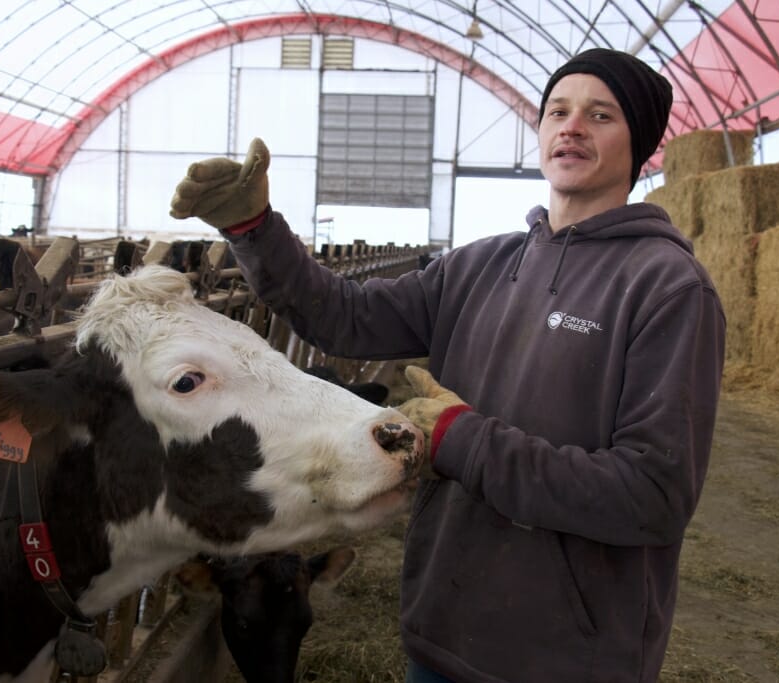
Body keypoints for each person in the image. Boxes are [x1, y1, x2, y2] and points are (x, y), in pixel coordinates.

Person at [170, 47, 726, 683]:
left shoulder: (667, 289)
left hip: (568, 656)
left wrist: (463, 439)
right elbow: (343, 317)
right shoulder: (481, 265)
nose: (571, 126)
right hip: (442, 629)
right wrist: (255, 229)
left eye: (600, 115)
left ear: (642, 144)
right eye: (557, 111)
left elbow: (652, 495)